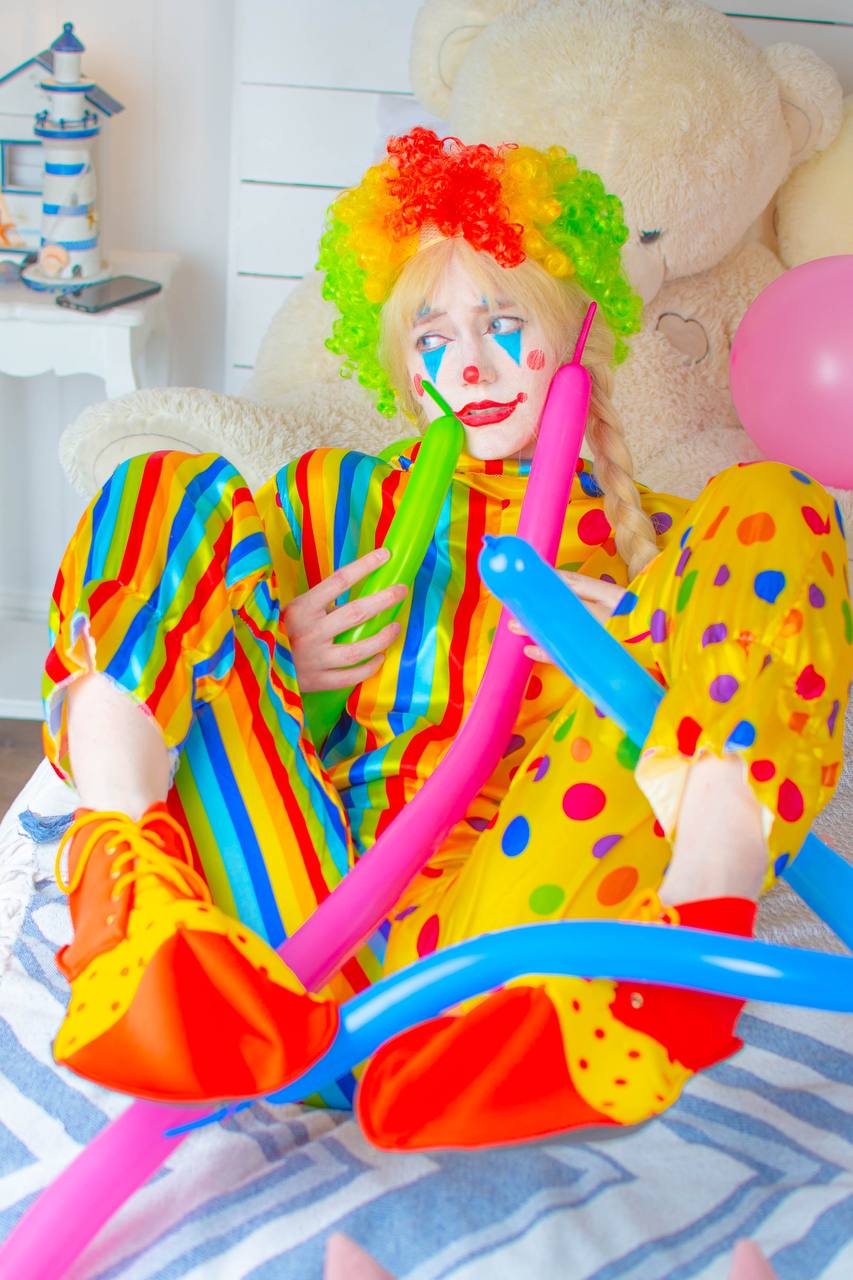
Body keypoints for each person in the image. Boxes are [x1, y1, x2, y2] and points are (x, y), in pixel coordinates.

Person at [45, 129, 851, 1148]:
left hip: (499, 964)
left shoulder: (674, 543)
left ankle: (692, 950)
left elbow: (769, 658)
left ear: (571, 328)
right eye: (432, 338)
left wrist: (647, 646)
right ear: (403, 366)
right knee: (163, 485)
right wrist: (274, 651)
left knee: (775, 498)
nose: (468, 364)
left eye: (502, 322)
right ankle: (131, 903)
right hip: (279, 929)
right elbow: (169, 618)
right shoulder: (330, 496)